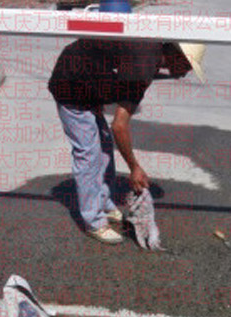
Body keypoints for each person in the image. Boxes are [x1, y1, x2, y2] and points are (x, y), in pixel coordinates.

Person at [48, 38, 205, 244]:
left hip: (86, 83)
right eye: (188, 66)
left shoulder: (150, 54)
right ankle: (93, 221)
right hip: (70, 86)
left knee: (104, 147)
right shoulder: (144, 64)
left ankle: (104, 203)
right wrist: (134, 167)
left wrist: (96, 96)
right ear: (178, 56)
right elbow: (119, 126)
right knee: (88, 154)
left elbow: (105, 61)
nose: (186, 73)